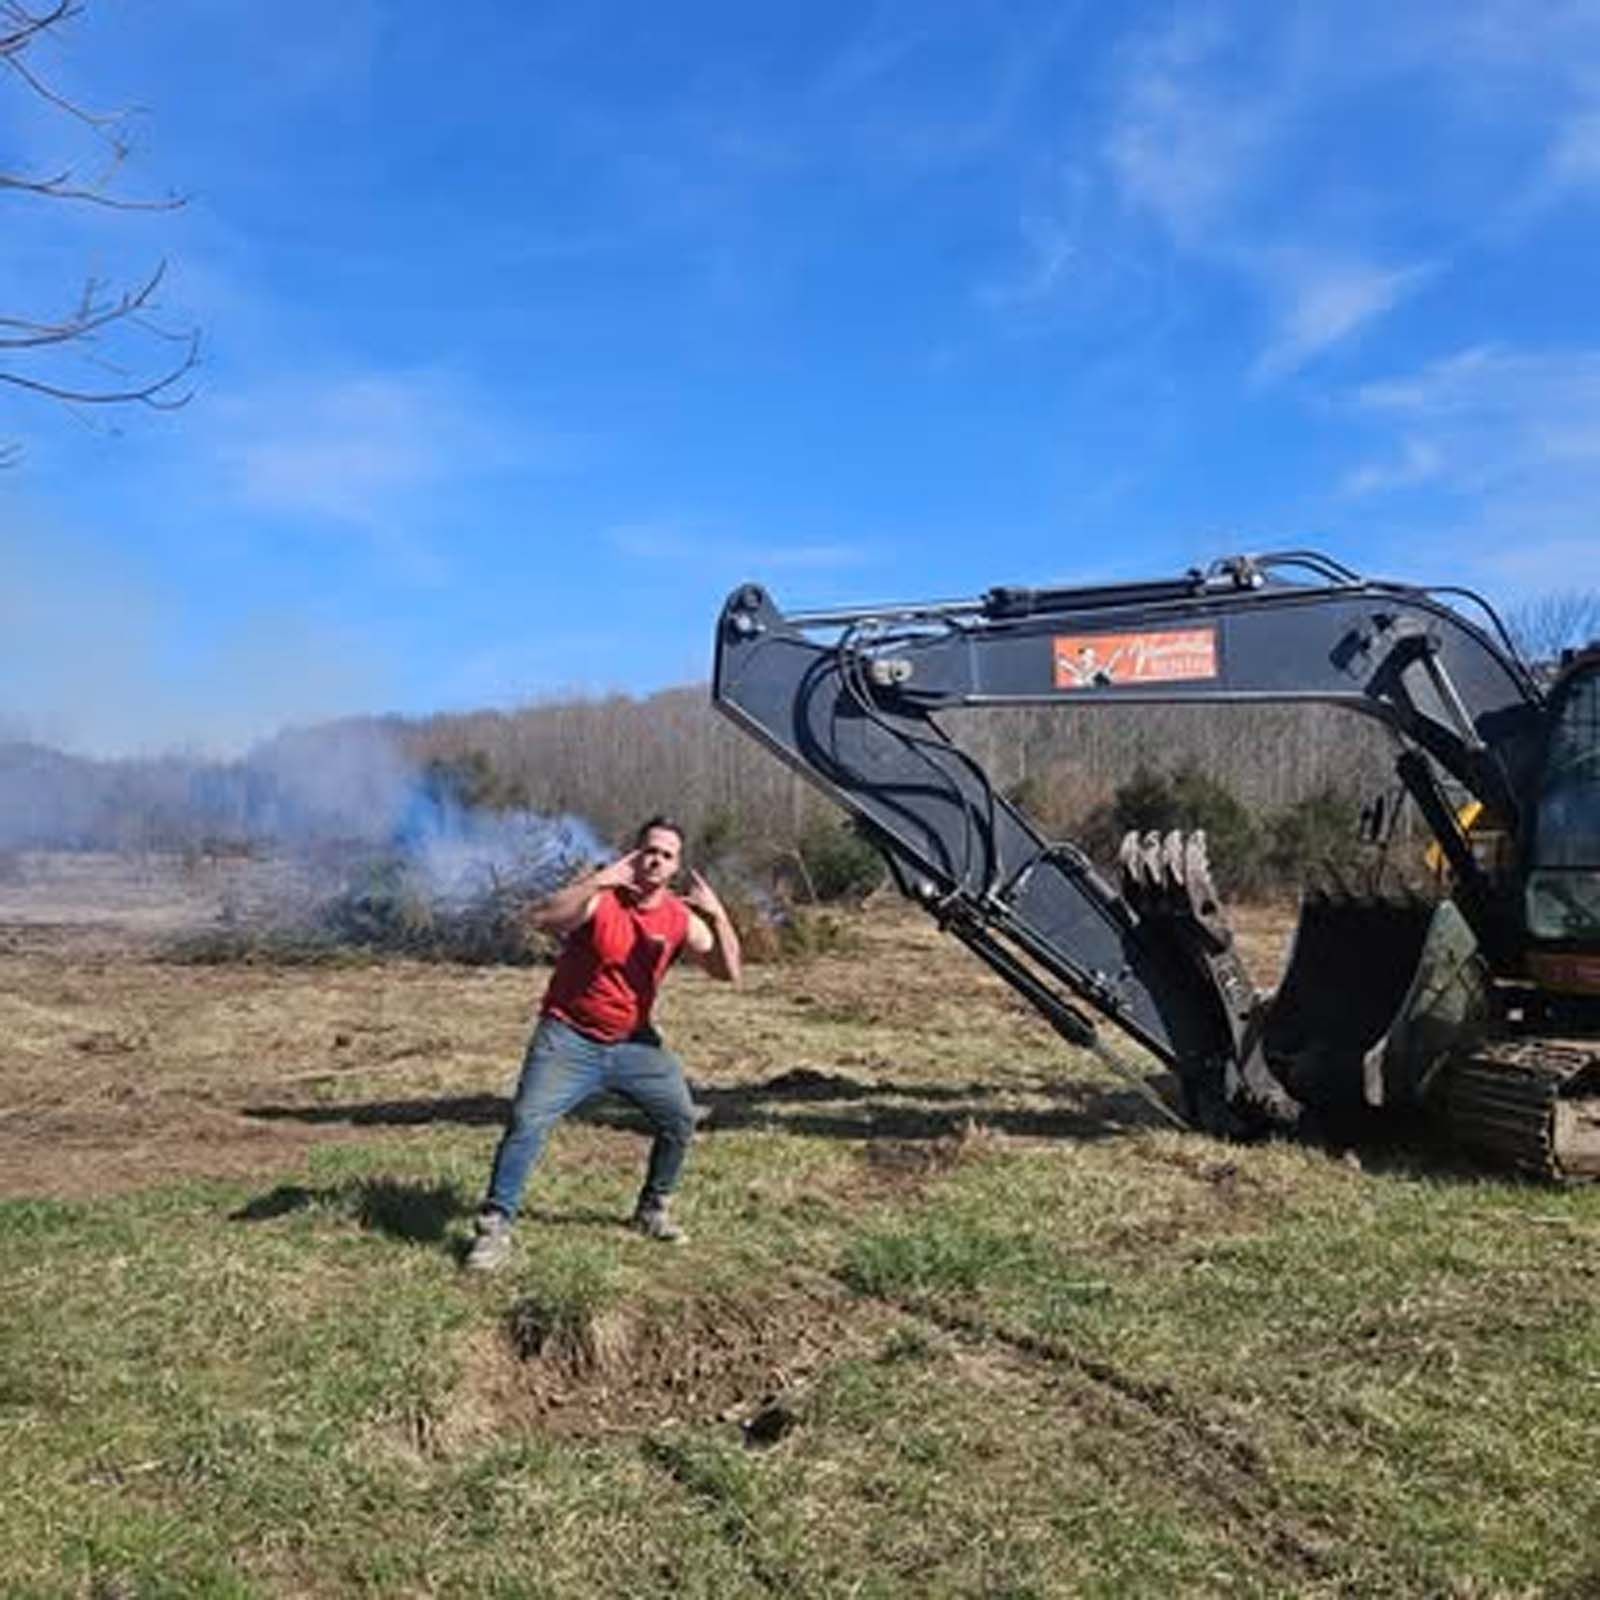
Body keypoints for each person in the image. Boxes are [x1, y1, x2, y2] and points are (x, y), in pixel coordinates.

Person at [463, 815, 741, 1270]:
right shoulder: (601, 900)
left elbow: (729, 971)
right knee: (527, 1120)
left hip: (634, 1044)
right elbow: (539, 917)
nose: (656, 860)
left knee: (679, 1117)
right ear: (636, 854)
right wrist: (598, 880)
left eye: (667, 855)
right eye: (650, 850)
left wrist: (720, 915)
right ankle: (495, 1227)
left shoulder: (677, 917)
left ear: (675, 867)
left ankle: (653, 1209)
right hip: (568, 1036)